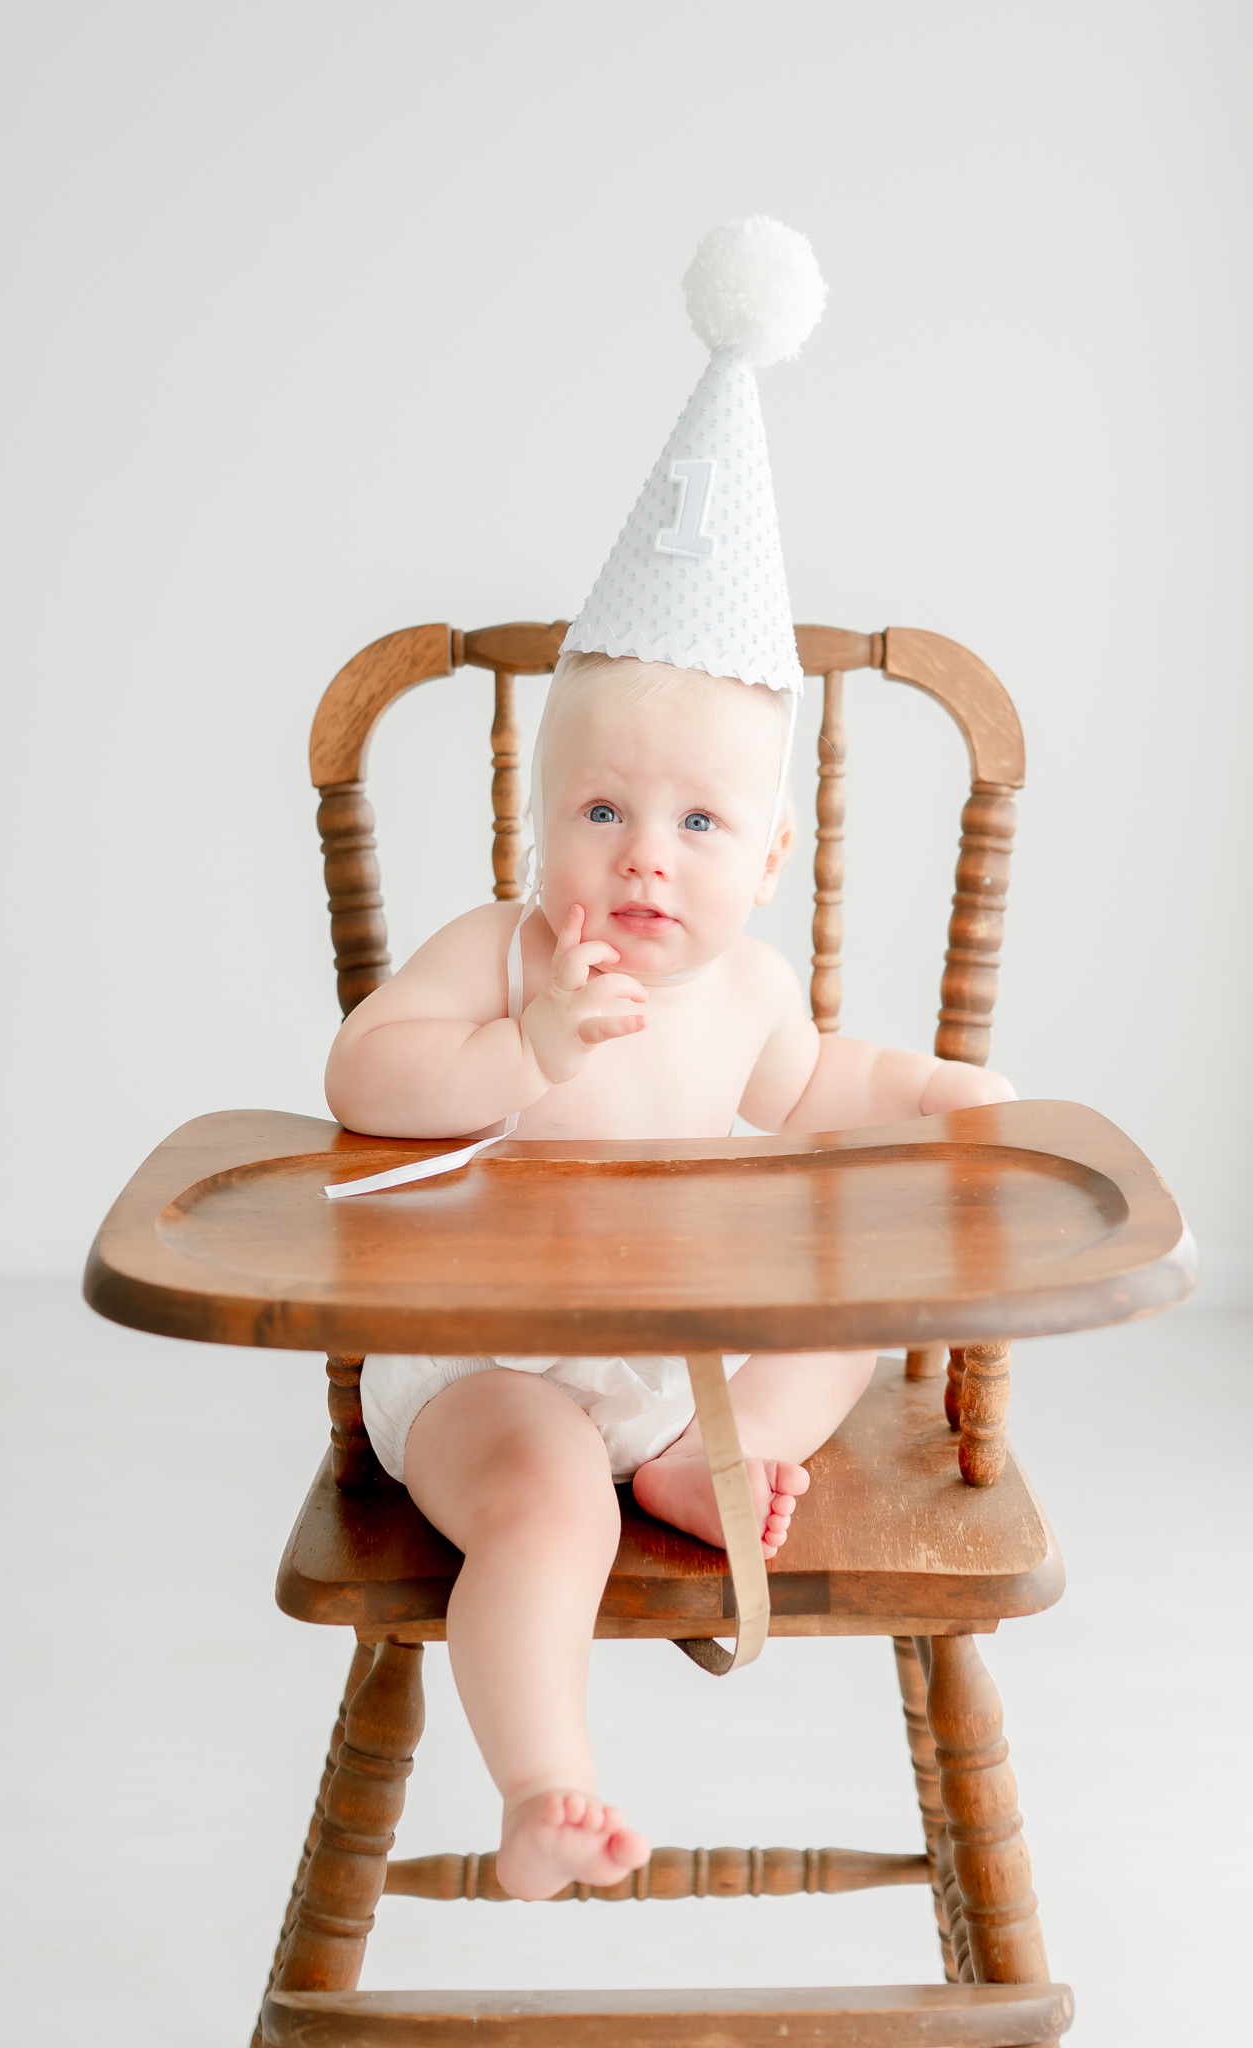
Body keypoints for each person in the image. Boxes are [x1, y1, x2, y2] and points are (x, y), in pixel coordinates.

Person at [323, 221, 1014, 1904]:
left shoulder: (747, 993)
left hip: (674, 1357)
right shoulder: (501, 952)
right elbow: (360, 1078)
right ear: (540, 818)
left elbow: (820, 1089)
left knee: (837, 1336)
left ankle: (707, 1463)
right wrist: (518, 1044)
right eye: (604, 811)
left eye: (698, 822)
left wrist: (941, 1101)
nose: (644, 858)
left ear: (766, 860)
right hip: (486, 1361)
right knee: (544, 1512)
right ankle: (547, 1788)